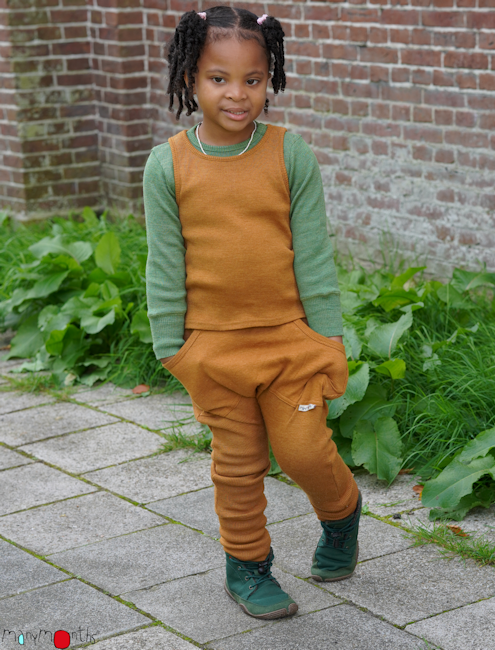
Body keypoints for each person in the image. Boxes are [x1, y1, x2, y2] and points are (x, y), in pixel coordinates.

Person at [143, 5, 361, 620]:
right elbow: (165, 262)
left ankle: (342, 515)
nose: (237, 94)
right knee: (237, 467)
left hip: (289, 343)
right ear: (190, 78)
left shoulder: (291, 154)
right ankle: (247, 566)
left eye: (253, 79)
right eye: (219, 78)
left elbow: (313, 256)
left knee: (304, 452)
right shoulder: (167, 165)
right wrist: (173, 347)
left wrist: (328, 339)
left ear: (271, 79)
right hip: (212, 348)